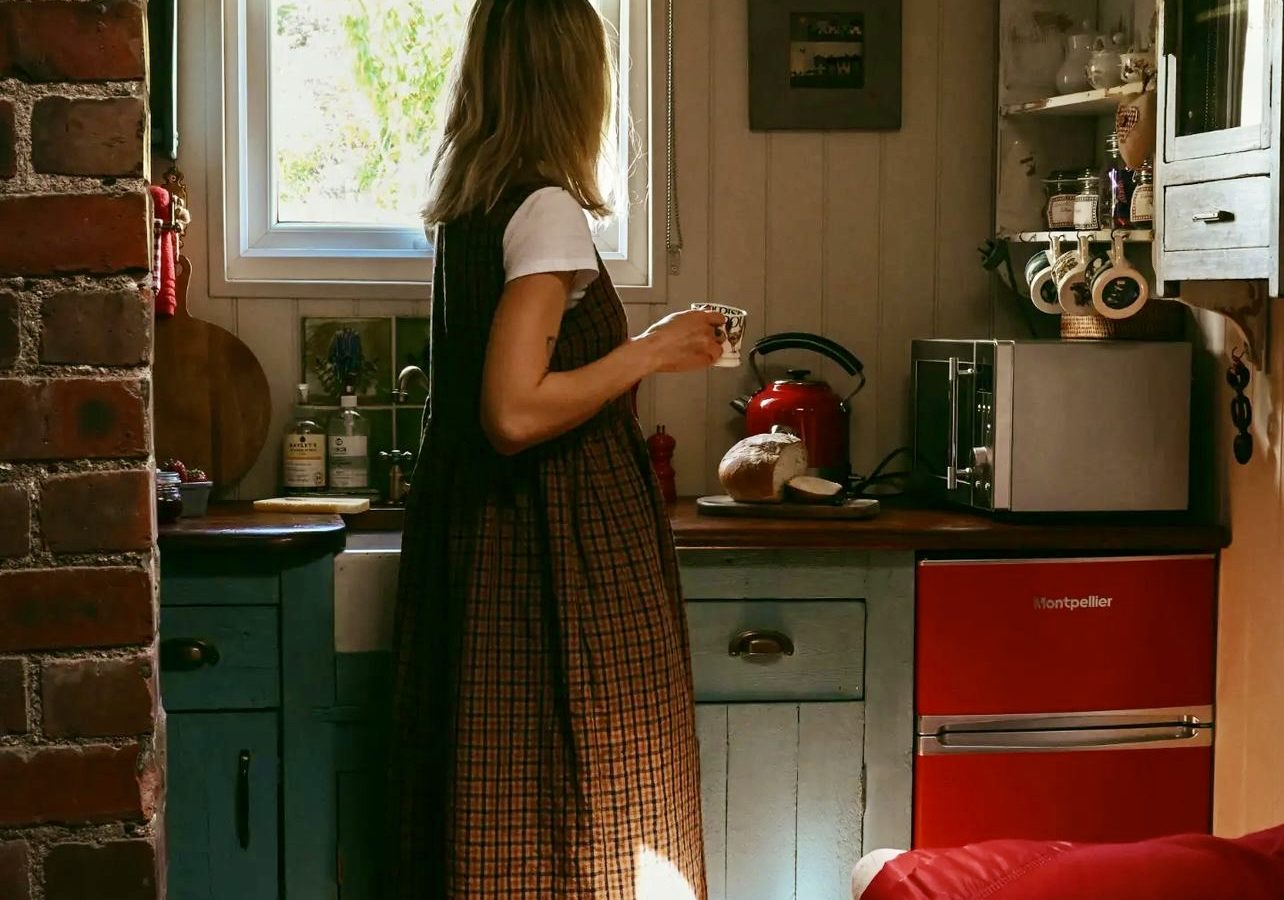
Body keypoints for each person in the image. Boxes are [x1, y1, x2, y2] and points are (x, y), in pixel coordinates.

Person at [390, 1, 723, 897]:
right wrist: (655, 348)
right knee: (607, 810)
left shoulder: (470, 206)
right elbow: (513, 412)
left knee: (497, 810)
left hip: (485, 545)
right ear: (576, 81)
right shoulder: (545, 212)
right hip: (555, 555)